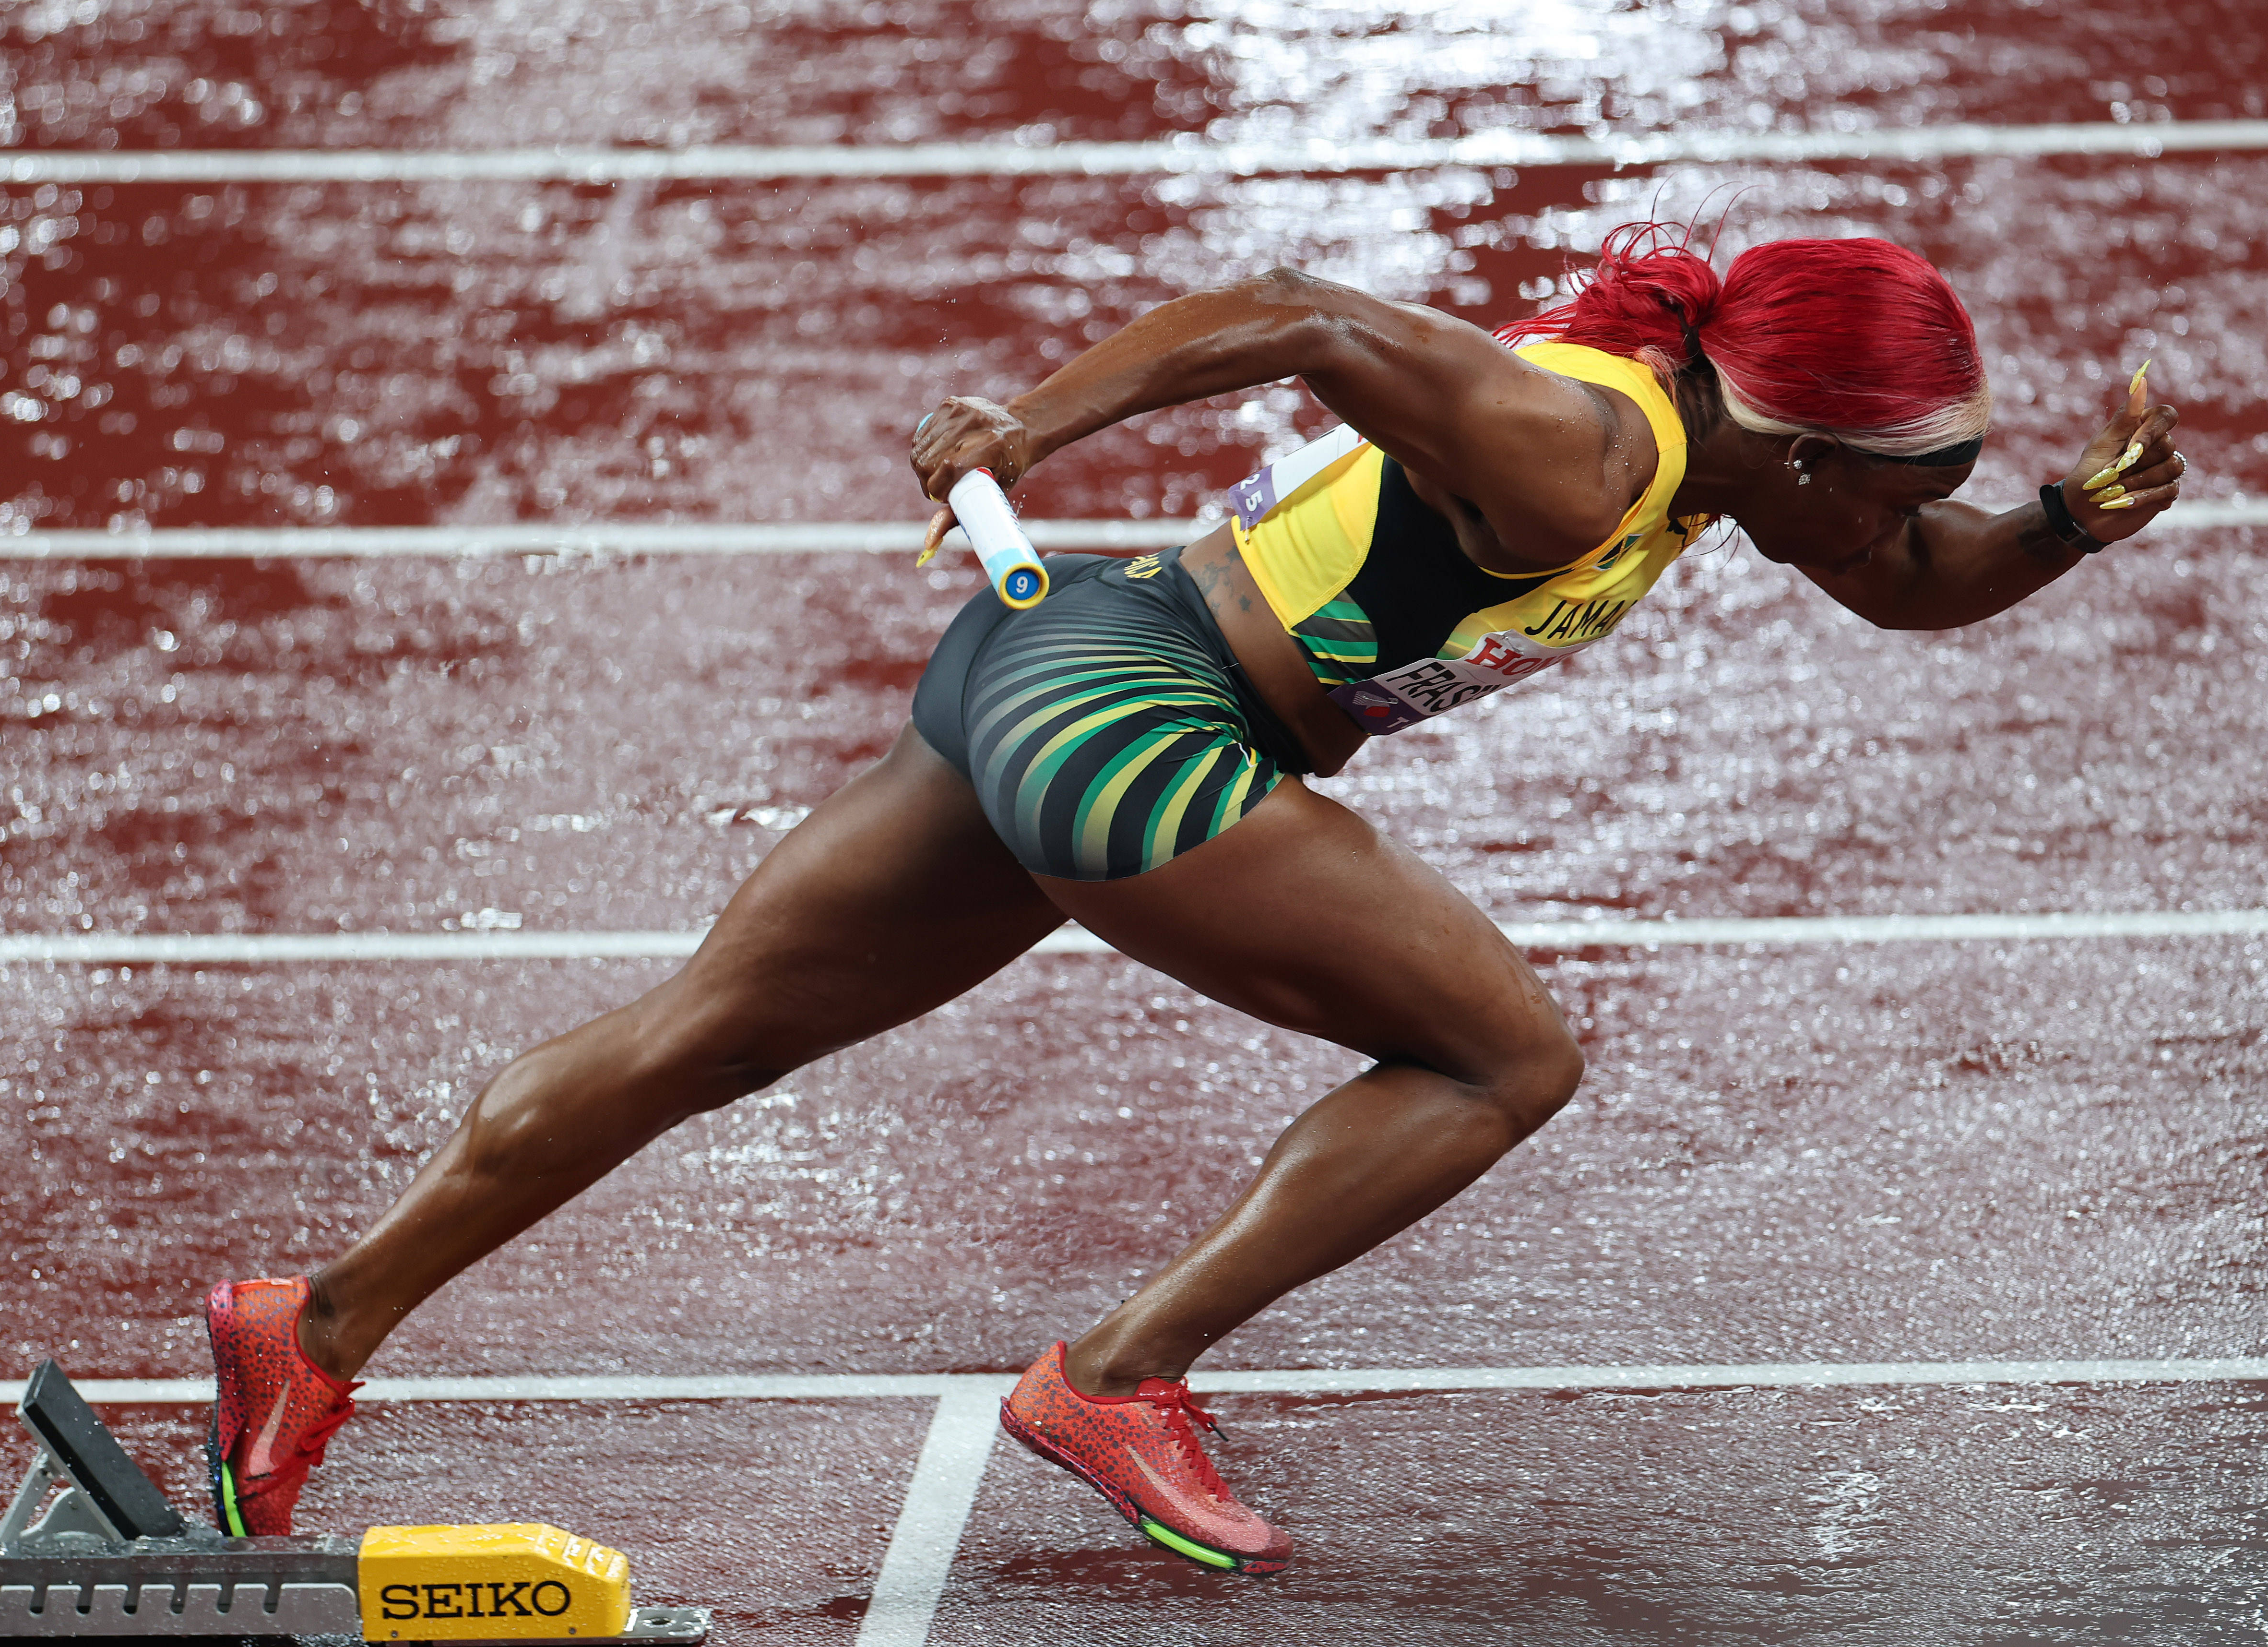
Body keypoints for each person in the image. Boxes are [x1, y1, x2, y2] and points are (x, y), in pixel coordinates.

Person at [199, 224, 2185, 1574]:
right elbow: (1300, 310)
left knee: (704, 1035)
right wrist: (1030, 425)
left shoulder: (1730, 465)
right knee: (1503, 1058)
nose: (1902, 518)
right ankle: (1115, 1376)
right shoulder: (1586, 451)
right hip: (1135, 717)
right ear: (1798, 447)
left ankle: (313, 1321)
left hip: (1053, 666)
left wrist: (2070, 523)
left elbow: (1908, 581)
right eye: (1897, 480)